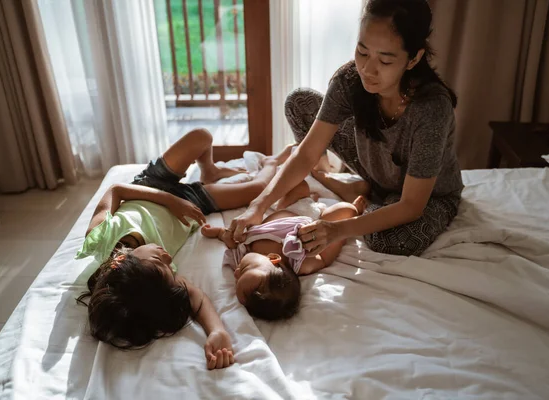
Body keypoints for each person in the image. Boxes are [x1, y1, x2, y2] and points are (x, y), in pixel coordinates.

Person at [229, 0, 463, 257]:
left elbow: (411, 205)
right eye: (362, 52)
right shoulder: (350, 80)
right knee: (299, 102)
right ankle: (350, 185)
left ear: (413, 58)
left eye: (385, 61)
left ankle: (365, 196)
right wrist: (258, 205)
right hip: (375, 168)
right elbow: (307, 154)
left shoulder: (431, 108)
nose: (367, 69)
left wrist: (336, 230)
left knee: (389, 239)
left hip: (428, 196)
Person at [75, 128, 290, 369]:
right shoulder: (156, 280)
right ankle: (271, 162)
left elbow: (116, 190)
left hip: (151, 186)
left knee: (202, 136)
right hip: (190, 202)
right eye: (168, 267)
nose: (168, 258)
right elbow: (195, 297)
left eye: (159, 261)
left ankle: (210, 169)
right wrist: (216, 330)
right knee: (260, 188)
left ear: (120, 263)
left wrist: (169, 199)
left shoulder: (99, 237)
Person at [201, 196, 366, 320]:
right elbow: (324, 258)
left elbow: (230, 239)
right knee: (345, 210)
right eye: (243, 270)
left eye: (239, 275)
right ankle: (346, 206)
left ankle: (311, 198)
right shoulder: (299, 261)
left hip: (284, 208)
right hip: (315, 222)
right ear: (274, 260)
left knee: (297, 188)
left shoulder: (243, 253)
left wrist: (219, 233)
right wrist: (344, 223)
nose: (236, 272)